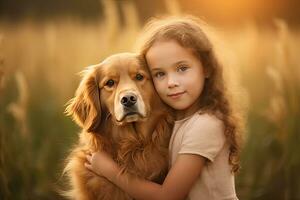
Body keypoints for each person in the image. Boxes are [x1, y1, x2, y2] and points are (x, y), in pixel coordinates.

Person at [85, 16, 244, 200]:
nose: (171, 82)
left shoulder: (205, 125)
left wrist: (111, 171)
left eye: (182, 68)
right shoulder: (174, 122)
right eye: (160, 74)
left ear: (207, 68)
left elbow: (167, 196)